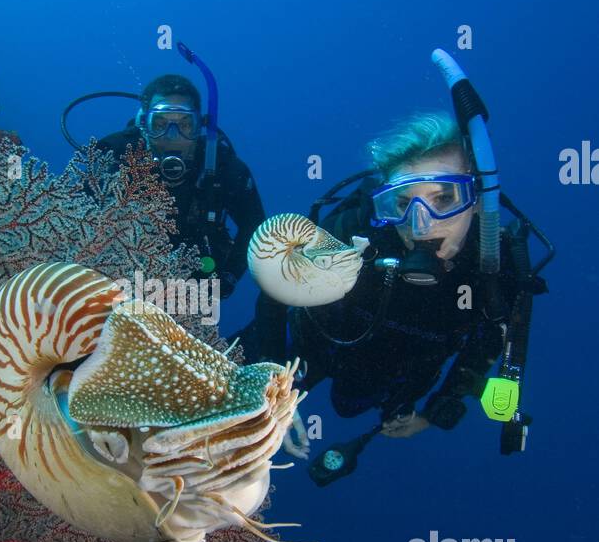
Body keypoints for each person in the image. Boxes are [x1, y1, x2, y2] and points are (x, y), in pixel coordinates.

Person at [240, 110, 521, 450]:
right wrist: (270, 385)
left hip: (391, 373)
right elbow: (275, 293)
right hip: (308, 343)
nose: (421, 225)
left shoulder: (493, 266)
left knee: (348, 407)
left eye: (444, 199)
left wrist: (432, 414)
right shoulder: (355, 230)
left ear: (477, 201)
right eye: (402, 203)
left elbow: (488, 342)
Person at [96, 73, 264, 299]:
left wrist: (230, 276)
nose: (172, 137)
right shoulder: (114, 154)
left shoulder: (224, 167)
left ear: (200, 126)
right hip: (117, 282)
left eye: (185, 124)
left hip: (193, 288)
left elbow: (255, 226)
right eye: (160, 124)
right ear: (144, 124)